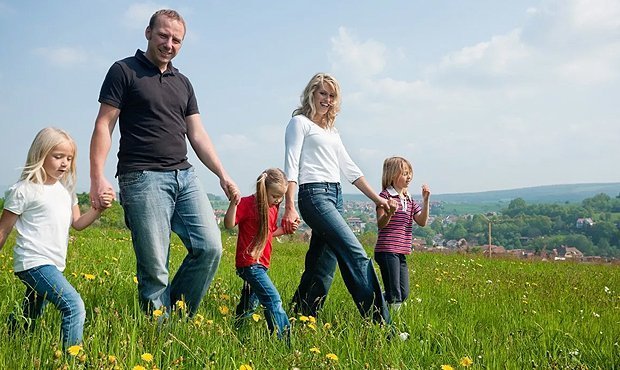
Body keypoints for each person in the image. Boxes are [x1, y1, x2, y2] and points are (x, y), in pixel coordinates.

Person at [89, 9, 240, 316]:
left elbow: (197, 134)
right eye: (163, 35)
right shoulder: (124, 70)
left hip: (184, 176)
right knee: (155, 269)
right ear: (148, 33)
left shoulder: (183, 83)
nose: (169, 44)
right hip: (142, 177)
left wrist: (222, 174)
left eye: (176, 40)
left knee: (210, 248)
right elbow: (104, 124)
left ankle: (176, 317)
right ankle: (159, 334)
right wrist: (97, 176)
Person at [281, 72, 391, 324]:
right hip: (314, 195)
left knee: (322, 265)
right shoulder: (299, 123)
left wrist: (377, 199)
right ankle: (381, 325)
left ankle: (299, 318)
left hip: (335, 196)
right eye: (323, 93)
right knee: (356, 254)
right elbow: (291, 165)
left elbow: (350, 168)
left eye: (332, 96)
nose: (327, 100)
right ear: (311, 93)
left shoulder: (331, 130)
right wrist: (289, 205)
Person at [0, 127, 113, 349]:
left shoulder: (65, 191)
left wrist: (98, 210)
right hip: (33, 262)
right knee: (73, 305)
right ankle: (72, 361)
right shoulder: (24, 190)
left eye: (69, 158)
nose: (64, 163)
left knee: (31, 311)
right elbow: (3, 229)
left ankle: (10, 336)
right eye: (58, 156)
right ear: (40, 154)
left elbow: (78, 224)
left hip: (53, 263)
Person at [224, 168, 298, 340]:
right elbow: (229, 224)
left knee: (250, 303)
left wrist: (286, 230)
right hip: (250, 264)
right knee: (273, 300)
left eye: (281, 197)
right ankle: (283, 341)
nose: (278, 200)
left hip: (261, 265)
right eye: (275, 196)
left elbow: (268, 233)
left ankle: (237, 333)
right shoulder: (247, 204)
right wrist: (233, 203)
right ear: (263, 189)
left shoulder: (272, 208)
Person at [374, 156, 430, 312]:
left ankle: (374, 303)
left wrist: (425, 201)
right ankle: (394, 326)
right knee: (395, 294)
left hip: (401, 250)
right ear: (392, 175)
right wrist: (390, 212)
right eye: (405, 173)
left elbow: (422, 221)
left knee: (403, 293)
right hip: (387, 250)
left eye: (409, 173)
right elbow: (380, 223)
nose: (409, 176)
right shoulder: (384, 196)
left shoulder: (408, 198)